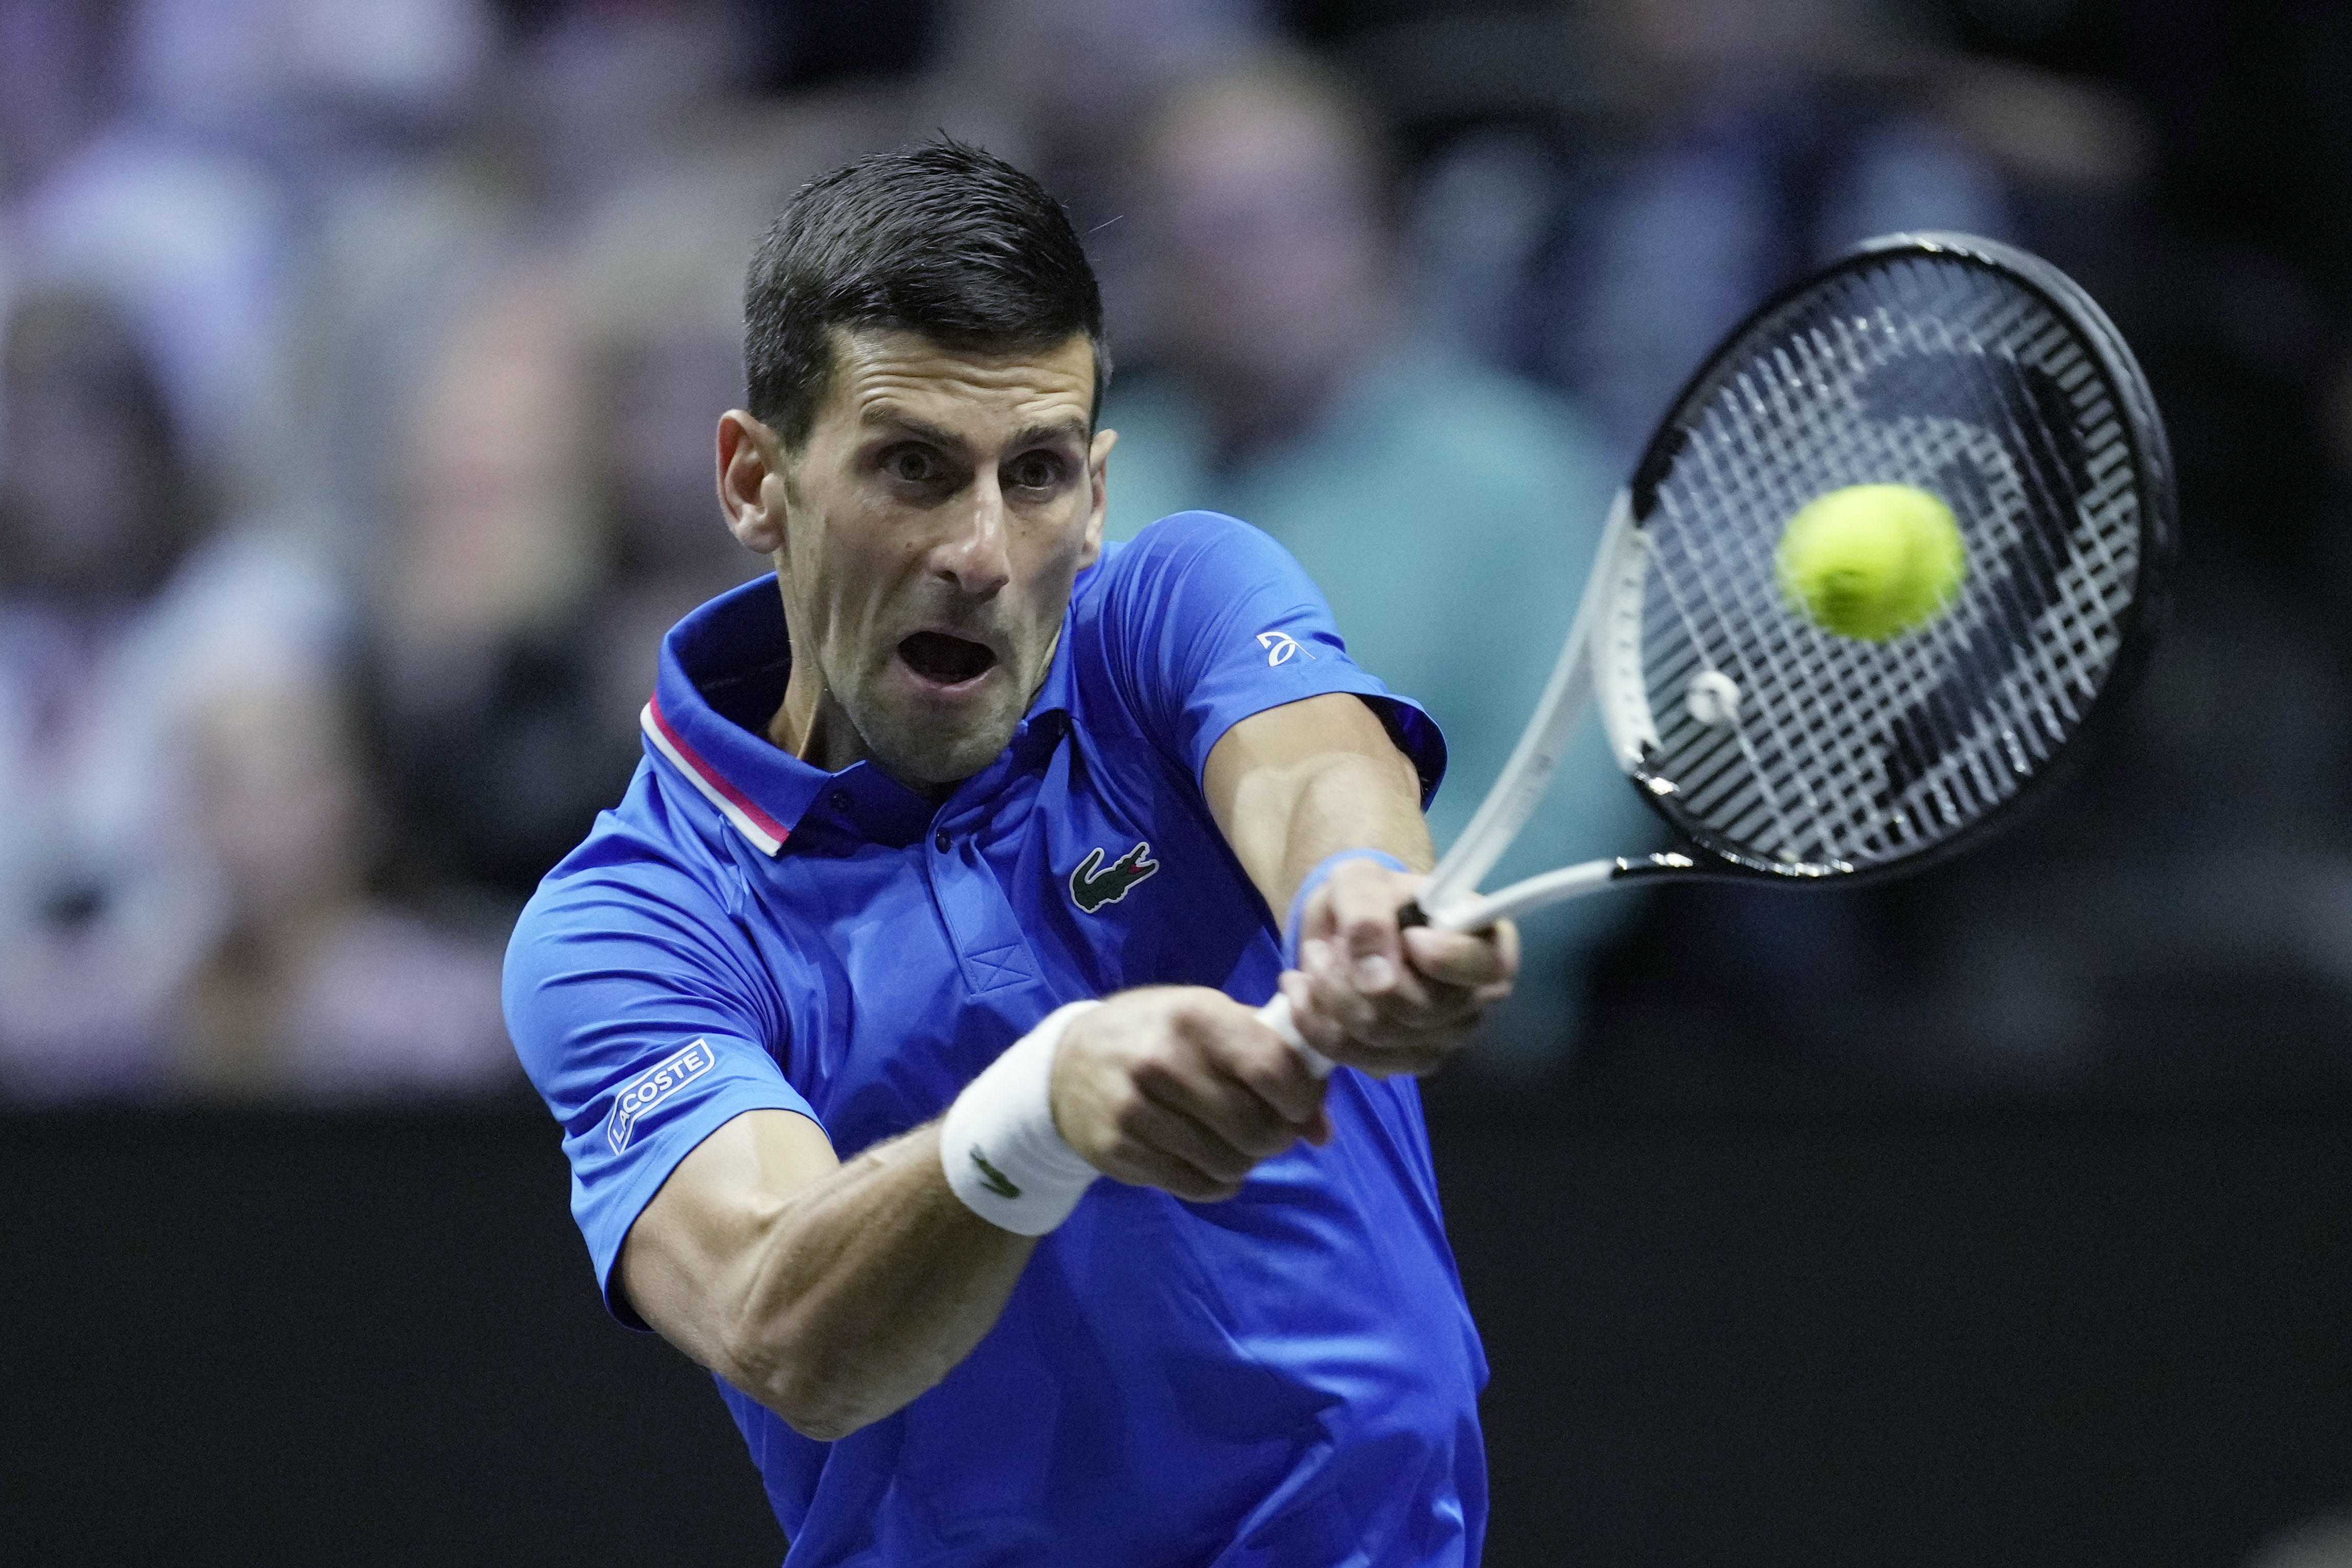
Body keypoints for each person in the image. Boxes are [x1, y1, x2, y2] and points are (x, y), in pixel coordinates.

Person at [504, 139, 1515, 1564]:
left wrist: (1357, 902)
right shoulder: (633, 926)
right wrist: (1038, 1109)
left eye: (1035, 472)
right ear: (754, 481)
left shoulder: (1173, 604)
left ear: (1096, 495)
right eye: (912, 467)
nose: (981, 549)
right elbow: (779, 1325)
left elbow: (1313, 777)